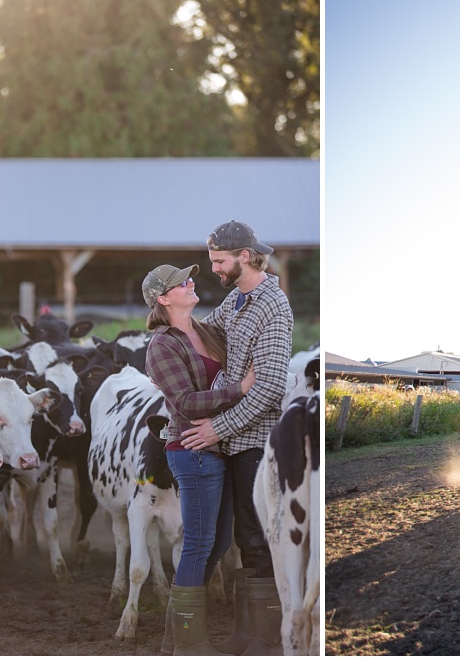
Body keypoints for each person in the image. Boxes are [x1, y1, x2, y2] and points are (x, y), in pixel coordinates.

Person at [179, 220, 294, 654]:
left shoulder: (273, 306)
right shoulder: (239, 298)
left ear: (245, 257)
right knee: (223, 535)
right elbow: (207, 331)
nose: (214, 269)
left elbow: (268, 388)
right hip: (229, 439)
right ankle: (237, 632)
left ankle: (262, 638)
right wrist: (172, 344)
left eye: (219, 261)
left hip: (254, 443)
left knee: (255, 536)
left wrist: (215, 428)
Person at [141, 263, 254, 655]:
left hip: (219, 445)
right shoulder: (162, 346)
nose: (191, 283)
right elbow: (186, 403)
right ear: (163, 298)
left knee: (219, 540)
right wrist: (241, 389)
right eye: (180, 282)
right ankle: (187, 643)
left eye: (188, 279)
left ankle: (176, 638)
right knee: (199, 543)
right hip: (191, 451)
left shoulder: (205, 329)